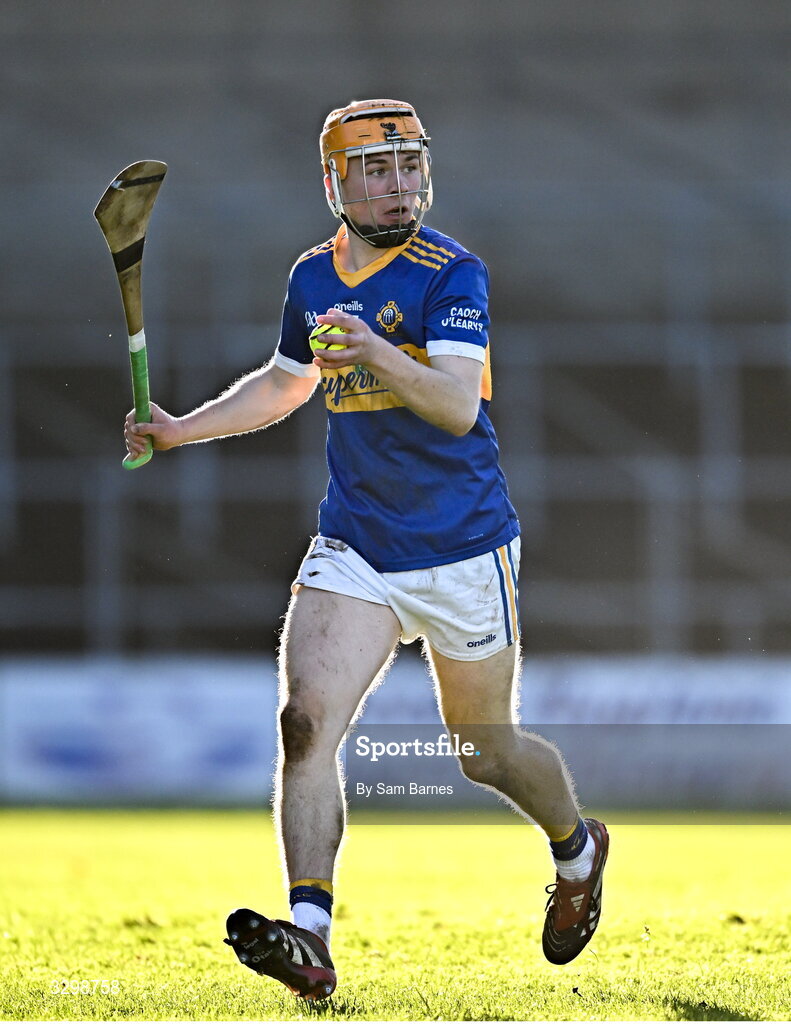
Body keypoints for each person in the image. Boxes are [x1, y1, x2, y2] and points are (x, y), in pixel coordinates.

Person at [125, 98, 609, 1001]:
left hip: (463, 546)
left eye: (411, 166)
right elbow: (286, 381)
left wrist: (377, 350)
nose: (400, 187)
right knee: (304, 724)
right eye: (377, 171)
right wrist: (181, 430)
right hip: (357, 545)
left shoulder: (452, 274)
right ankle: (308, 935)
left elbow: (458, 405)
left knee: (482, 753)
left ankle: (578, 852)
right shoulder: (312, 276)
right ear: (334, 182)